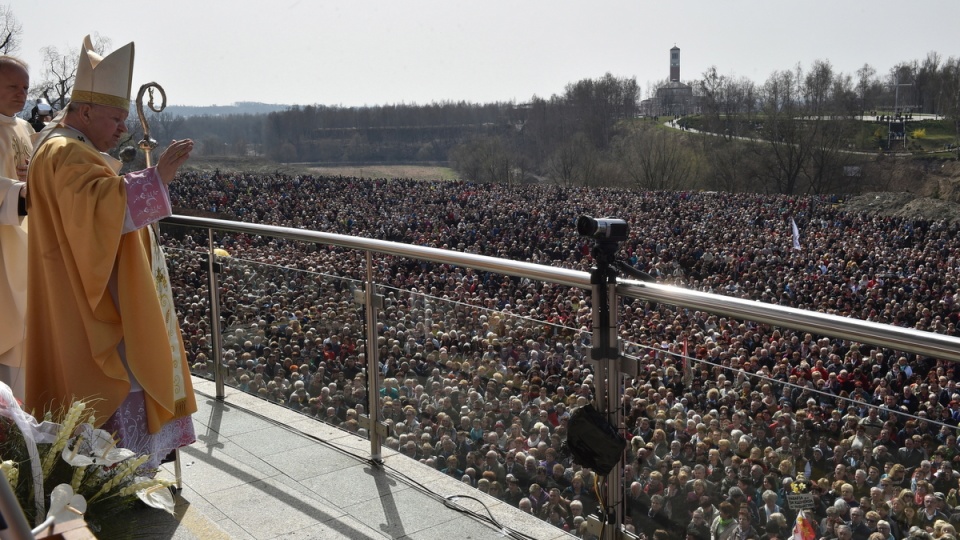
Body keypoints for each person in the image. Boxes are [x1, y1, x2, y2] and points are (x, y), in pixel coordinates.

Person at [25, 36, 196, 470]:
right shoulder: (67, 151)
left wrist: (146, 181)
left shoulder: (64, 145)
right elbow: (96, 210)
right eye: (116, 118)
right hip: (92, 297)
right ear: (84, 111)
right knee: (113, 377)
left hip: (78, 281)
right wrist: (155, 180)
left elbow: (96, 202)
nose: (123, 128)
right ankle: (118, 476)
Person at [0, 55, 31, 401]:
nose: (21, 94)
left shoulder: (23, 128)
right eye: (13, 86)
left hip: (25, 244)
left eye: (25, 87)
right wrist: (18, 189)